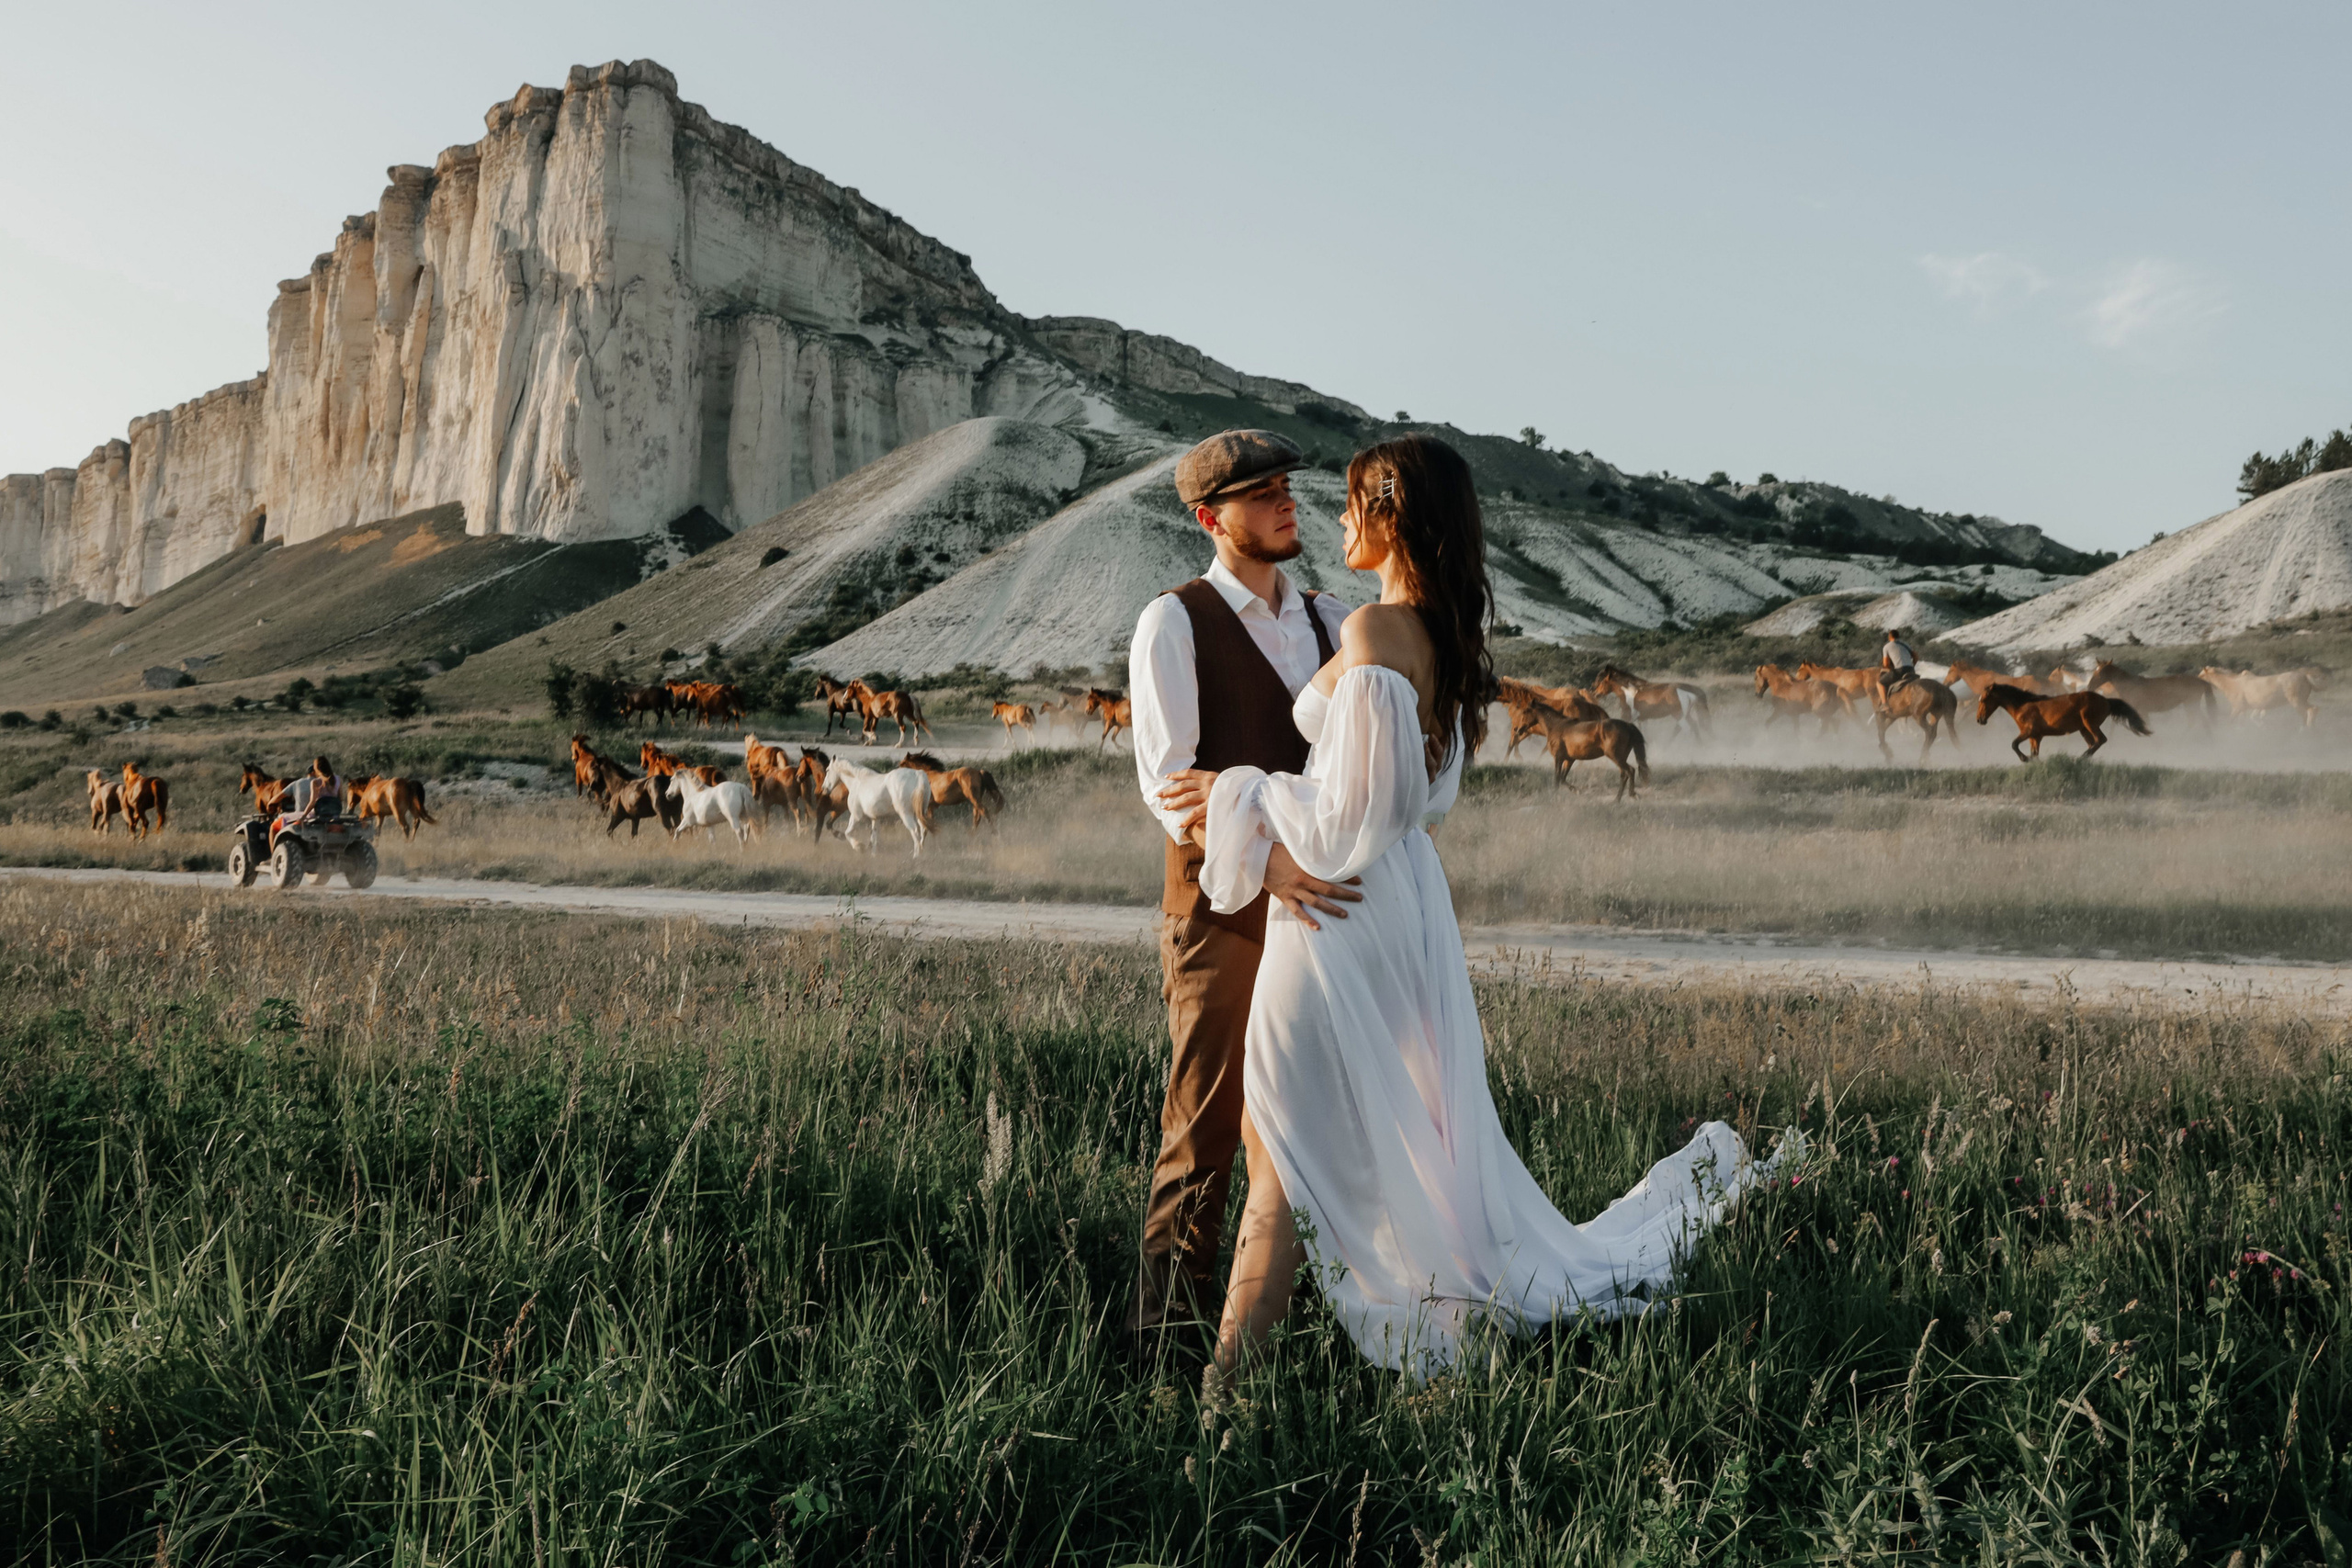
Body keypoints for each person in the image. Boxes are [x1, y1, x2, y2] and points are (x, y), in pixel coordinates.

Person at [1164, 433, 1790, 1385]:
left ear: (1390, 514)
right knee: (1311, 1151)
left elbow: (1353, 820)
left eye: (1347, 505)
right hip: (1396, 904)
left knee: (1278, 1150)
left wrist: (1233, 792)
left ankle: (1223, 1404)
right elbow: (1416, 803)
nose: (1333, 522)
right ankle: (1275, 1375)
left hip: (1340, 913)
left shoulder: (1376, 635)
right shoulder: (1434, 631)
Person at [1124, 428, 1357, 1365]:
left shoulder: (1337, 621)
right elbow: (1169, 785)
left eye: (1286, 488)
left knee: (1316, 1126)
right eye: (1259, 493)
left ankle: (1289, 1331)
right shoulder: (1173, 621)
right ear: (1207, 518)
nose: (1284, 503)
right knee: (1205, 1131)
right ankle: (1163, 1355)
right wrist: (1264, 866)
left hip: (1328, 917)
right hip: (1223, 911)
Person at [1880, 627, 1917, 693]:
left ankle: (1884, 702)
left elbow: (1886, 664)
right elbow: (1916, 657)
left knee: (1880, 683)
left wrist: (1891, 669)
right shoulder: (1906, 645)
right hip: (1911, 670)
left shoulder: (1887, 646)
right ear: (1898, 636)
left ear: (1889, 637)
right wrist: (1913, 665)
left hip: (1900, 671)